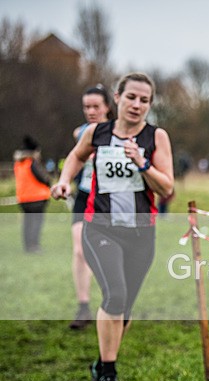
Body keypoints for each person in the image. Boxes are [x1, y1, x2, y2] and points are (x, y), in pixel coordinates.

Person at [51, 72, 174, 381]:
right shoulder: (97, 132)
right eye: (131, 97)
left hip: (141, 233)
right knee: (114, 296)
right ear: (117, 98)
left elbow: (167, 187)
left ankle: (100, 364)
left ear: (150, 105)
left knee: (125, 310)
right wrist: (65, 180)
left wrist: (143, 163)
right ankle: (109, 373)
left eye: (144, 100)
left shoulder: (155, 137)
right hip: (100, 227)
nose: (137, 105)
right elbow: (77, 156)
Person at [68, 84, 113, 330]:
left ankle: (113, 300)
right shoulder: (79, 133)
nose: (91, 111)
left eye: (96, 106)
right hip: (84, 195)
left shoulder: (118, 132)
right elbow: (75, 160)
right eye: (87, 107)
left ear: (107, 106)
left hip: (109, 199)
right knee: (79, 250)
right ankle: (83, 306)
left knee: (107, 253)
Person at [14, 135, 51, 253]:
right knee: (36, 223)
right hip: (37, 197)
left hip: (23, 198)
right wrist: (49, 181)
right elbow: (43, 178)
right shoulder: (32, 163)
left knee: (27, 223)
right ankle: (34, 245)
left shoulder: (18, 163)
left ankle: (28, 245)